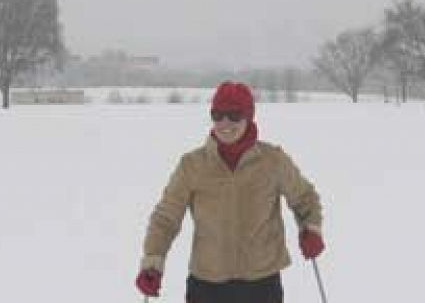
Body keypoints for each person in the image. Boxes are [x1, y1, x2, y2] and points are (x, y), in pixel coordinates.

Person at [136, 81, 324, 302]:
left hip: (261, 284)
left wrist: (310, 229)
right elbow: (166, 218)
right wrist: (152, 263)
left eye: (234, 115)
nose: (225, 123)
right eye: (218, 115)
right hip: (207, 286)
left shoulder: (272, 160)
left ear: (248, 117)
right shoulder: (193, 165)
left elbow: (304, 198)